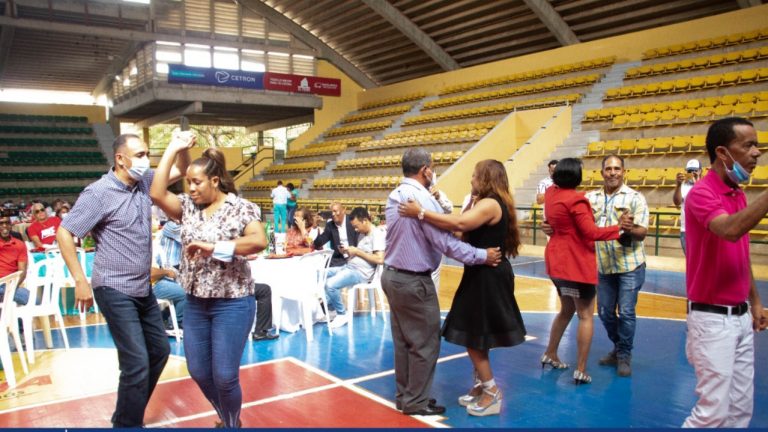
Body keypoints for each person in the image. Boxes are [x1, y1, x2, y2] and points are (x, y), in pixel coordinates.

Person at [56, 133, 191, 427]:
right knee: (136, 362)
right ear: (121, 159)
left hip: (141, 287)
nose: (145, 161)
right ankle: (127, 424)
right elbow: (65, 232)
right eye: (140, 155)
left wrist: (180, 147)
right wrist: (79, 279)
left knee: (159, 351)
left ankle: (125, 415)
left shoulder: (144, 183)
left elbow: (182, 170)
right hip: (113, 286)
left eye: (146, 155)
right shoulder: (98, 193)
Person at [150, 140, 267, 429]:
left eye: (196, 182)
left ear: (215, 180)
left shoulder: (241, 208)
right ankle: (231, 420)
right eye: (188, 182)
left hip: (233, 302)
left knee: (225, 376)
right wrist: (173, 150)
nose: (190, 188)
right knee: (200, 371)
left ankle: (230, 425)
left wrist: (214, 247)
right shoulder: (188, 207)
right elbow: (156, 192)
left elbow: (258, 241)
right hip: (195, 303)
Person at [397, 158, 523, 417]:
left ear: (486, 178)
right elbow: (460, 233)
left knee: (473, 337)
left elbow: (460, 225)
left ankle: (492, 392)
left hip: (488, 277)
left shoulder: (490, 204)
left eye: (475, 175)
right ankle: (479, 385)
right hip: (480, 274)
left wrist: (420, 212)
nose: (472, 180)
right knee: (479, 335)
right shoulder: (483, 203)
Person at [682, 117, 767, 428]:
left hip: (741, 318)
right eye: (748, 145)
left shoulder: (737, 193)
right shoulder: (702, 193)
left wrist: (755, 302)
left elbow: (740, 255)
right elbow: (730, 231)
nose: (757, 152)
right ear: (722, 152)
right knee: (711, 414)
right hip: (712, 320)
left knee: (739, 411)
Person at [539, 158, 632, 385]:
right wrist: (619, 227)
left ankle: (550, 353)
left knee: (566, 310)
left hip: (556, 262)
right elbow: (591, 233)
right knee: (586, 315)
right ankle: (581, 369)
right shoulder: (577, 200)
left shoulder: (551, 193)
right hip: (576, 265)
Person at [586, 154, 649, 377]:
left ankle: (623, 355)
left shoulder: (635, 198)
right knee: (604, 312)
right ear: (602, 172)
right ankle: (618, 346)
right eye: (608, 169)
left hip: (629, 265)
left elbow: (642, 233)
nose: (613, 172)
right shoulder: (590, 198)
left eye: (617, 169)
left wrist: (628, 228)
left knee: (627, 312)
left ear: (624, 172)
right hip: (603, 266)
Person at [322, 206, 385, 329]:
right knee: (320, 274)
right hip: (349, 266)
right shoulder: (362, 234)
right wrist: (347, 252)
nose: (355, 229)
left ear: (365, 221)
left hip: (360, 273)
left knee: (330, 284)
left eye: (356, 226)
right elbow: (359, 255)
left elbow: (380, 259)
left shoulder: (377, 234)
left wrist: (357, 251)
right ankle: (331, 309)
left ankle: (341, 314)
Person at [150, 220, 186, 332]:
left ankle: (165, 316)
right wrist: (166, 272)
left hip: (163, 281)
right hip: (153, 285)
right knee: (186, 293)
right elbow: (149, 273)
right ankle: (177, 323)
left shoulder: (158, 247)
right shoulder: (170, 228)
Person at [312, 202, 359, 268]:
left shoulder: (352, 222)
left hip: (355, 258)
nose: (333, 214)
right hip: (338, 260)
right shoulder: (330, 225)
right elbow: (318, 243)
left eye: (335, 211)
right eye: (331, 212)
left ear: (343, 211)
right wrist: (315, 226)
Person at [673, 159, 702, 256]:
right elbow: (677, 202)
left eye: (694, 170)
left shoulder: (705, 185)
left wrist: (697, 183)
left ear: (700, 171)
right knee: (691, 261)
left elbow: (703, 201)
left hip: (701, 229)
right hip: (685, 229)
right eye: (689, 171)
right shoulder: (683, 185)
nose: (692, 173)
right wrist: (678, 185)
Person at [0, 210, 30, 305]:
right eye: (1, 223)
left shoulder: (19, 245)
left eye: (7, 223)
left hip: (11, 284)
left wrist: (11, 288)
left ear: (11, 225)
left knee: (33, 300)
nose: (4, 226)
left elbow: (22, 272)